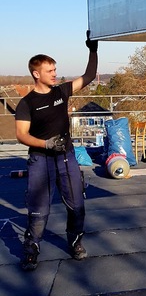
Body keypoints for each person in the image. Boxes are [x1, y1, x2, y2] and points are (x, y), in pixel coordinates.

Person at [15, 32, 98, 271]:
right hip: (40, 159)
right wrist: (46, 144)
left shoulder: (61, 91)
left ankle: (75, 242)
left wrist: (93, 50)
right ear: (36, 74)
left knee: (77, 205)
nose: (54, 74)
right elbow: (21, 135)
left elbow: (89, 76)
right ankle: (31, 250)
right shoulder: (26, 103)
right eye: (50, 71)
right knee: (39, 211)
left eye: (55, 69)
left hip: (66, 157)